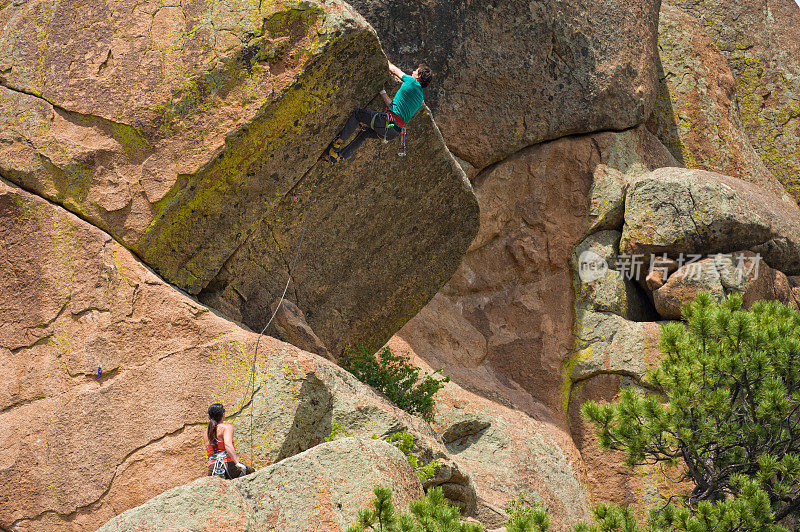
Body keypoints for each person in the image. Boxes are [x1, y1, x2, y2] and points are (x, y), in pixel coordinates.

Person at [325, 61, 434, 163]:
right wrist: (382, 92)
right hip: (394, 132)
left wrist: (384, 60)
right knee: (365, 133)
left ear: (418, 76)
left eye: (415, 70)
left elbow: (394, 70)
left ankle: (337, 142)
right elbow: (394, 107)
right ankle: (340, 157)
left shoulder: (411, 81)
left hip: (386, 122)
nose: (413, 72)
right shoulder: (419, 100)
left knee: (357, 114)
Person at [203, 403, 254, 479]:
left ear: (209, 417)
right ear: (223, 415)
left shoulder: (205, 433)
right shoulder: (226, 427)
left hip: (213, 469)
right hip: (228, 466)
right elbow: (228, 445)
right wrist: (237, 463)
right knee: (253, 473)